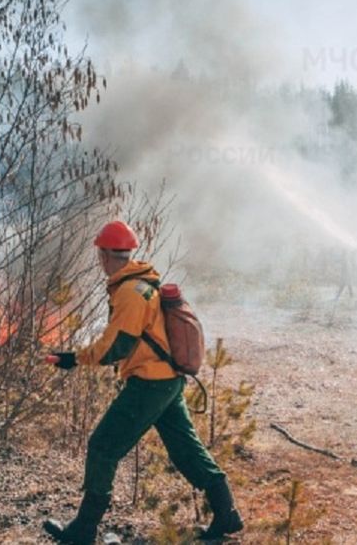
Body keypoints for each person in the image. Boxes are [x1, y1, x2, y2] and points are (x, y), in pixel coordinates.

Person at [43, 221, 243, 544]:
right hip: (167, 382)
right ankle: (227, 514)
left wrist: (73, 359)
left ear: (106, 256)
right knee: (185, 451)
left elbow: (116, 346)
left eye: (99, 255)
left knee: (103, 447)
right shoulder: (141, 283)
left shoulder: (130, 293)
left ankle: (82, 530)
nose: (99, 261)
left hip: (150, 385)